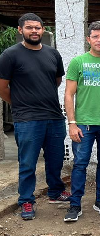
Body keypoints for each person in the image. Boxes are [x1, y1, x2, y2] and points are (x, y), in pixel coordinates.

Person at [0, 13, 70, 220]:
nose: (34, 31)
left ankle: (55, 192)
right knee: (28, 163)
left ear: (43, 30)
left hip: (54, 117)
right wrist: (19, 103)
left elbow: (56, 80)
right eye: (29, 28)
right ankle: (26, 201)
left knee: (56, 159)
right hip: (27, 119)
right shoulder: (10, 55)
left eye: (38, 28)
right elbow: (2, 87)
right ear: (20, 30)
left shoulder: (52, 54)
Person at [63, 21, 100, 222]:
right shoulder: (78, 62)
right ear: (89, 39)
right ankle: (75, 204)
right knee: (80, 164)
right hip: (83, 124)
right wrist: (71, 123)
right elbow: (69, 94)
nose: (99, 40)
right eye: (95, 36)